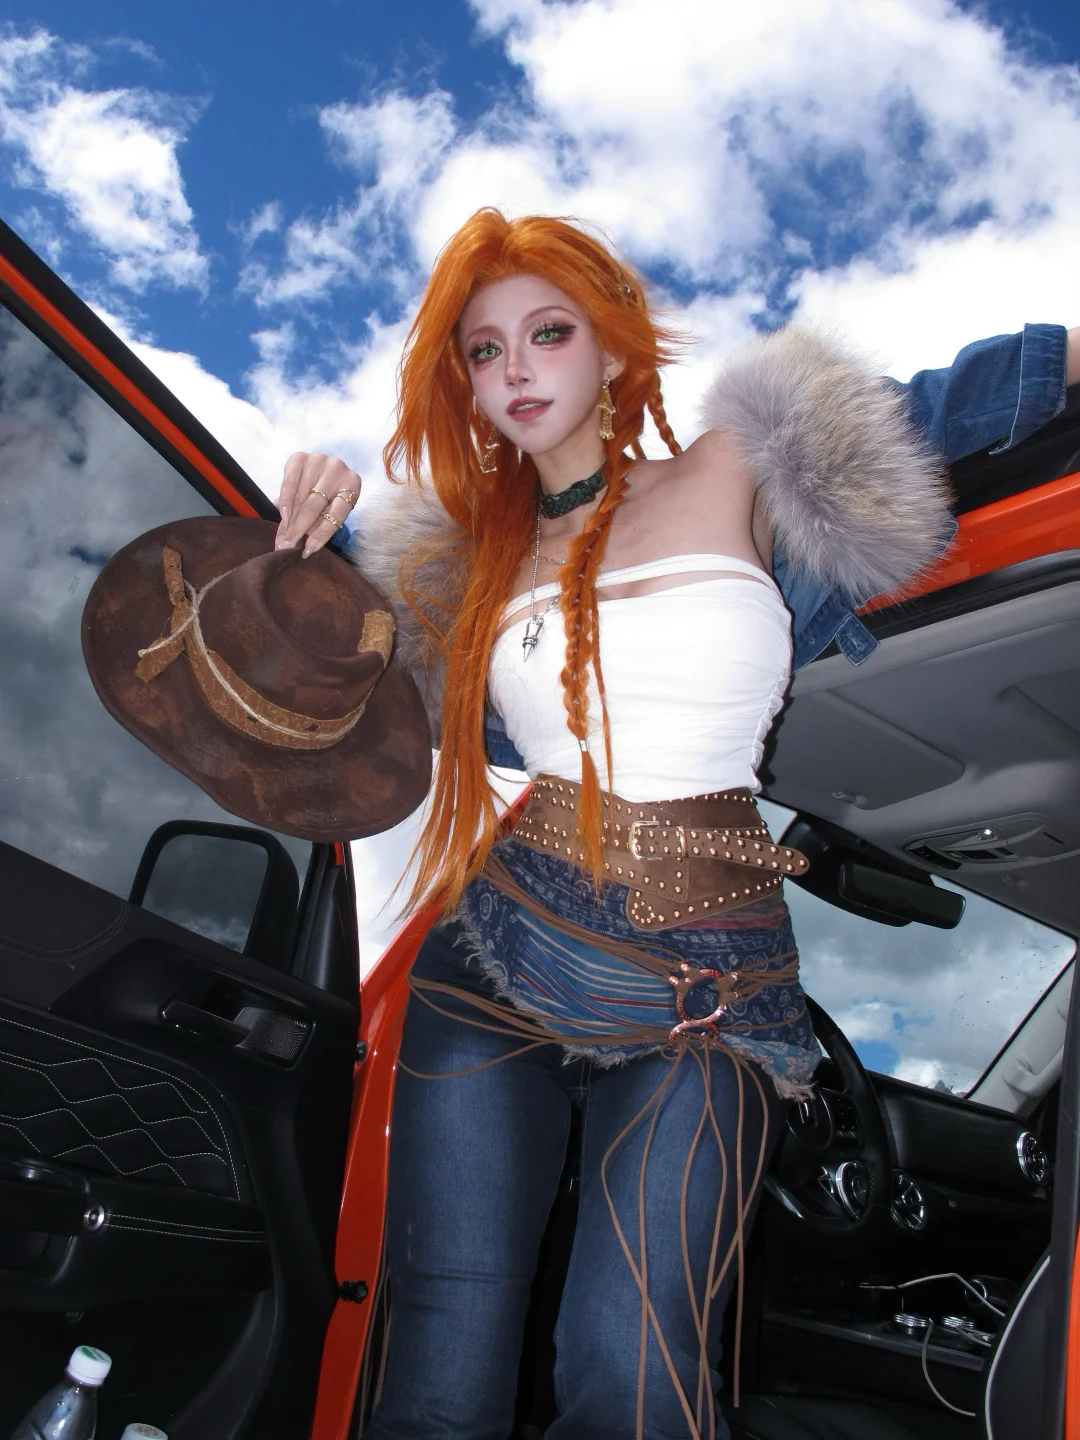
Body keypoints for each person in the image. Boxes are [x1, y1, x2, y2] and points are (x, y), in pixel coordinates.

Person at [274, 208, 1078, 1440]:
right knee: (441, 1363)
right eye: (484, 351)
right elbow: (340, 672)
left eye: (548, 333)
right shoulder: (469, 568)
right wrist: (313, 537)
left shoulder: (733, 467)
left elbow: (959, 401)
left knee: (634, 1367)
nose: (516, 368)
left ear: (612, 349)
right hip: (495, 948)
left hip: (709, 971)